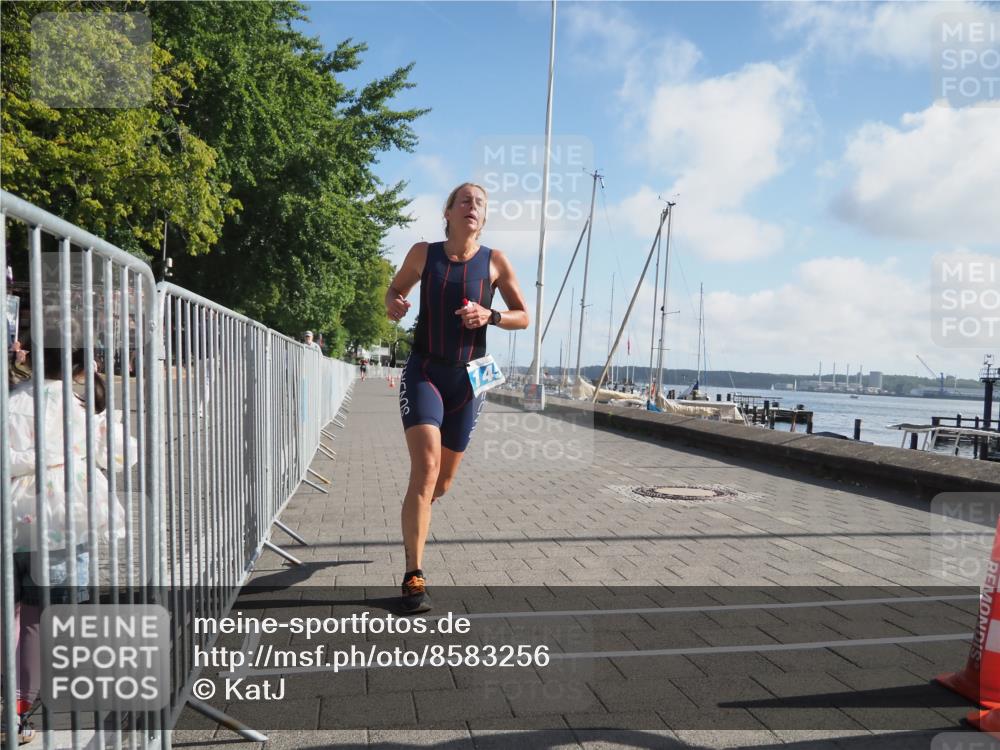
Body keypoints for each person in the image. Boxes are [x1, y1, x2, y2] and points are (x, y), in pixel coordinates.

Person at [384, 182, 529, 613]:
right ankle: (414, 575)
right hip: (425, 370)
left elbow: (524, 316)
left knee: (441, 484)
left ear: (483, 219)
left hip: (472, 378)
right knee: (425, 469)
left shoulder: (495, 261)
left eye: (480, 203)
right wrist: (393, 303)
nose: (473, 206)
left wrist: (492, 315)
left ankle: (419, 511)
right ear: (447, 212)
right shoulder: (422, 253)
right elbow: (395, 291)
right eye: (465, 200)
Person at [3, 346, 135, 744]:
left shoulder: (11, 401)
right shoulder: (78, 408)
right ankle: (18, 714)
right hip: (61, 523)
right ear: (80, 363)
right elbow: (120, 457)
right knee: (40, 621)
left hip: (11, 519)